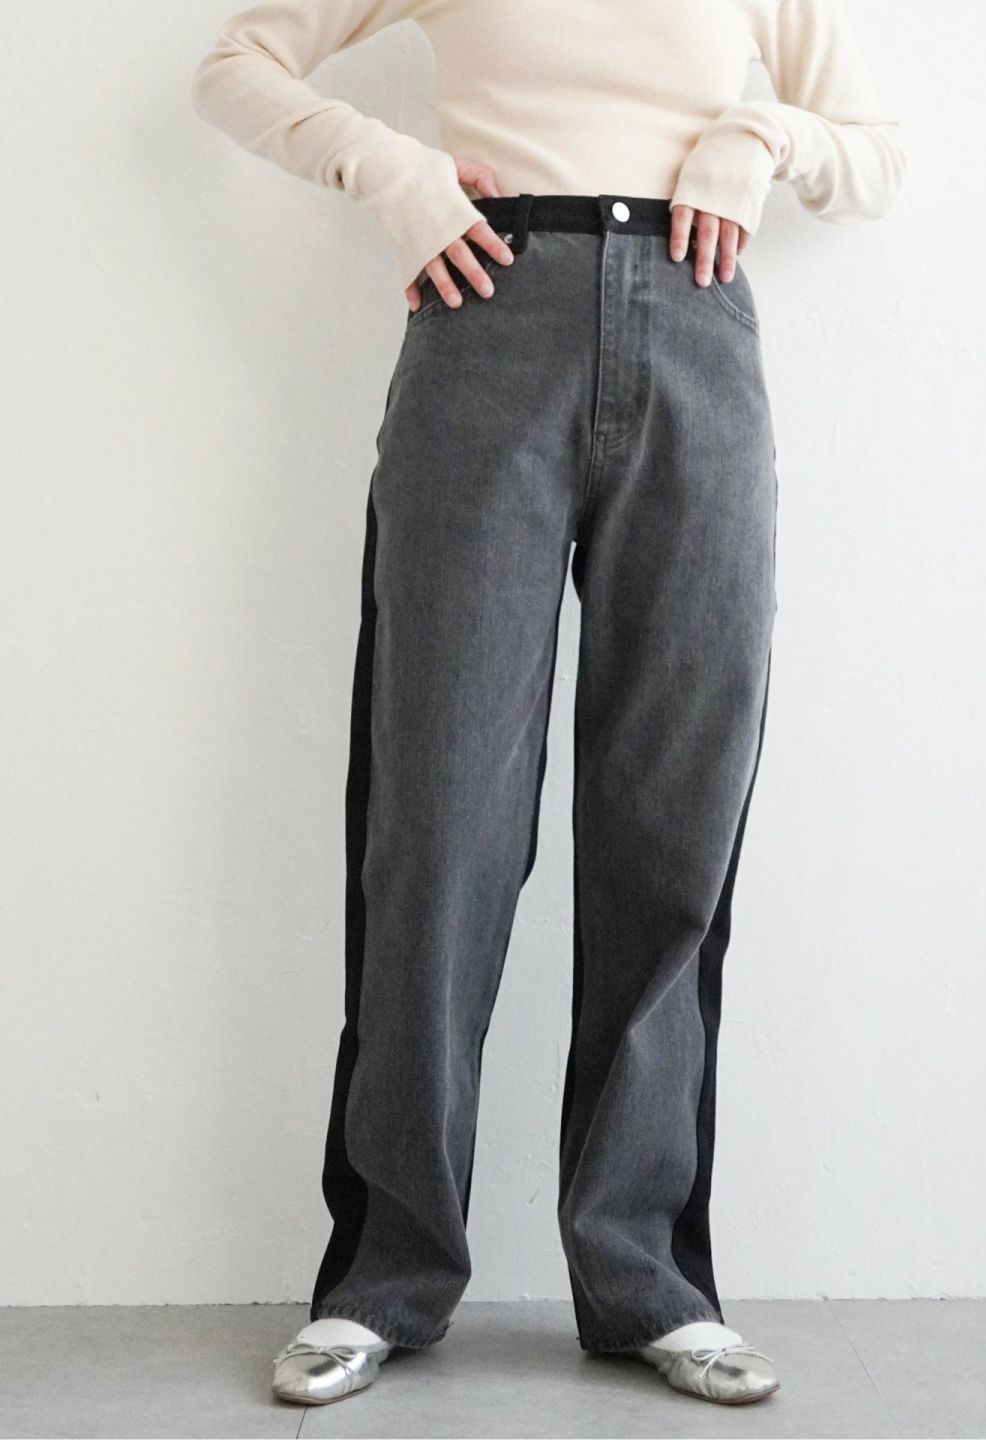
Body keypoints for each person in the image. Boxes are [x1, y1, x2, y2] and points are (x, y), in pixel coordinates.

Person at [191, 0, 904, 1409]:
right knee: (436, 827)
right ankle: (382, 1276)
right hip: (484, 319)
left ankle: (650, 1281)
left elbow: (875, 153)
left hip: (696, 327)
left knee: (672, 825)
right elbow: (233, 65)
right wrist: (391, 169)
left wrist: (763, 136)